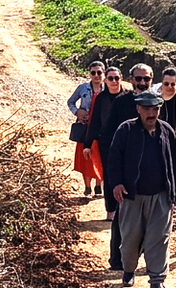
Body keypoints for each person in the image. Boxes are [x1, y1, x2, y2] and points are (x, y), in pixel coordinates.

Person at [109, 92, 176, 288]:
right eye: (147, 109)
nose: (152, 113)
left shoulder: (166, 131)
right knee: (130, 239)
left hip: (161, 196)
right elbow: (114, 158)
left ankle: (157, 280)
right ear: (138, 109)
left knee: (159, 238)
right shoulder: (125, 130)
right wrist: (116, 183)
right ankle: (128, 270)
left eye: (155, 109)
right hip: (132, 196)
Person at [100, 63, 156, 272]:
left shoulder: (157, 103)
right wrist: (114, 173)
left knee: (151, 223)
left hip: (151, 172)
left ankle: (149, 264)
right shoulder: (121, 103)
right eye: (138, 79)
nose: (142, 83)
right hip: (126, 172)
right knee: (122, 219)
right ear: (131, 80)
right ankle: (117, 260)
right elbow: (107, 137)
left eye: (146, 79)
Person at [85, 66, 129, 221]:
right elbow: (94, 122)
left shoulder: (128, 97)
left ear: (121, 79)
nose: (114, 81)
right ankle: (111, 210)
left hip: (127, 142)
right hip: (107, 142)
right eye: (110, 78)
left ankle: (125, 209)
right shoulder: (101, 98)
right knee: (110, 176)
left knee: (127, 174)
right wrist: (87, 144)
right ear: (105, 80)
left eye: (117, 78)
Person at [66, 61, 105, 196]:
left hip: (101, 128)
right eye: (93, 73)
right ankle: (87, 187)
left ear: (103, 73)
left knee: (100, 155)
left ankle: (99, 186)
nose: (96, 75)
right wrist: (77, 112)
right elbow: (70, 102)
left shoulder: (108, 89)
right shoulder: (82, 88)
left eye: (99, 72)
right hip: (84, 127)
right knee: (85, 157)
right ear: (89, 74)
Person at [151, 67, 176, 145]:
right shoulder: (153, 94)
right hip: (157, 138)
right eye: (166, 84)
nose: (169, 87)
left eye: (173, 84)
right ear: (162, 83)